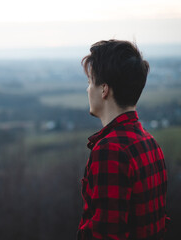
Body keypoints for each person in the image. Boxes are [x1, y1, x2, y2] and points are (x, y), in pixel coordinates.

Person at [77, 40, 169, 239]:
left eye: (89, 82)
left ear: (104, 90)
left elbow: (105, 234)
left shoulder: (110, 150)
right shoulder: (151, 144)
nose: (87, 90)